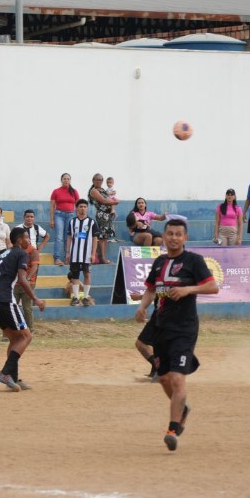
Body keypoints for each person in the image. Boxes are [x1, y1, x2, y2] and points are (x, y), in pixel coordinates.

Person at [134, 219, 218, 451]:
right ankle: (183, 408)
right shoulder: (160, 262)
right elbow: (151, 288)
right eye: (169, 233)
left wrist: (188, 289)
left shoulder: (194, 261)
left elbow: (213, 287)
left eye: (178, 234)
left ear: (185, 238)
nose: (173, 238)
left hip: (184, 327)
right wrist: (142, 306)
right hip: (161, 325)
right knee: (163, 379)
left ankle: (173, 429)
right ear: (164, 235)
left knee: (177, 378)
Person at [0, 227, 46, 391]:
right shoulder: (21, 254)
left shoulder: (3, 253)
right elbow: (22, 279)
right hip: (6, 299)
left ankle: (14, 379)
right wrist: (36, 299)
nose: (29, 240)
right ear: (20, 240)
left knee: (14, 339)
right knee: (26, 336)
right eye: (27, 237)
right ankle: (5, 373)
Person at [67, 199, 97, 306]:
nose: (83, 208)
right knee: (75, 276)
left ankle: (85, 297)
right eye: (81, 206)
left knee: (87, 274)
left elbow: (94, 239)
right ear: (76, 208)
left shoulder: (92, 222)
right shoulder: (72, 222)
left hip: (87, 254)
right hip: (74, 254)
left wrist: (93, 254)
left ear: (87, 208)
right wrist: (67, 252)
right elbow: (69, 237)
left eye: (85, 206)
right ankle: (75, 297)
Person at [88, 173, 120, 264]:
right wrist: (115, 202)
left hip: (108, 215)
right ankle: (102, 257)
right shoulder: (94, 191)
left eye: (100, 180)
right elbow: (104, 201)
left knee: (105, 236)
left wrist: (113, 204)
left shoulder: (102, 189)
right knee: (102, 236)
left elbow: (109, 199)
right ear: (93, 180)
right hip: (102, 215)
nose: (98, 181)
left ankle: (103, 256)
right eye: (97, 179)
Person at [49, 173, 78, 266]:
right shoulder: (56, 191)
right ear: (61, 180)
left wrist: (78, 219)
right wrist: (52, 220)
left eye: (68, 179)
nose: (66, 180)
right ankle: (57, 258)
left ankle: (67, 258)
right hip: (59, 215)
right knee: (59, 237)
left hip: (70, 215)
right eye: (64, 178)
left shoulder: (74, 192)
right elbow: (52, 206)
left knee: (68, 237)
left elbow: (78, 206)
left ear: (70, 180)